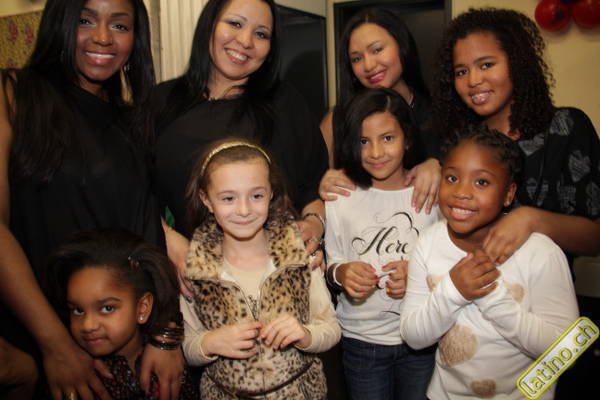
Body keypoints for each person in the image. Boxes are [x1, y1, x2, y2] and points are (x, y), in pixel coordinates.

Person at [0, 1, 183, 399]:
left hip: (122, 345)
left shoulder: (133, 122)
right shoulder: (12, 95)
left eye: (120, 25)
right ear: (60, 22)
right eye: (85, 20)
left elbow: (145, 239)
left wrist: (165, 333)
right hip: (34, 336)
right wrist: (55, 344)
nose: (102, 37)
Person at [155, 0, 328, 290]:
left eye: (261, 34)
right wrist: (170, 241)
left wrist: (314, 224)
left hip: (277, 284)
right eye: (235, 23)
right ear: (210, 25)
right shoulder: (161, 102)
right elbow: (136, 196)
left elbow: (316, 187)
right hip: (193, 284)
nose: (246, 41)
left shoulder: (286, 105)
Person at [399, 125, 579, 399]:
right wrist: (453, 291)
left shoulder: (540, 252)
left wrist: (493, 299)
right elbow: (413, 336)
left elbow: (567, 352)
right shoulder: (428, 242)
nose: (462, 192)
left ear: (509, 193)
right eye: (451, 178)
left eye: (481, 182)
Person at [432, 7, 600, 265]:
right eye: (461, 71)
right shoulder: (460, 140)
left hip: (544, 286)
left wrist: (531, 219)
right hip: (463, 285)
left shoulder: (565, 128)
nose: (473, 80)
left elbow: (595, 237)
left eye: (486, 65)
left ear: (517, 63)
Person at [180, 140, 341, 398]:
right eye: (228, 198)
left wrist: (305, 335)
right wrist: (209, 343)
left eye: (256, 196)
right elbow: (188, 347)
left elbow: (331, 328)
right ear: (206, 199)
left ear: (271, 193)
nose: (244, 210)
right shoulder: (196, 269)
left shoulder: (298, 256)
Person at [324, 88, 438, 400]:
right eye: (364, 141)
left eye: (387, 138)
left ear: (408, 138)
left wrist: (418, 277)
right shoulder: (340, 196)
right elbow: (332, 263)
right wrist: (342, 273)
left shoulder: (430, 194)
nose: (375, 152)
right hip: (361, 342)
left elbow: (449, 263)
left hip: (421, 338)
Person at [43, 229, 198, 400]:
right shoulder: (74, 377)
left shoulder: (169, 363)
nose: (88, 325)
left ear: (142, 308)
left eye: (107, 308)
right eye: (78, 310)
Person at [319, 8, 440, 215]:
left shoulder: (440, 113)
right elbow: (310, 191)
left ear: (401, 45)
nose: (368, 65)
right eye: (356, 58)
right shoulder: (336, 120)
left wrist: (441, 167)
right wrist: (324, 182)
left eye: (376, 50)